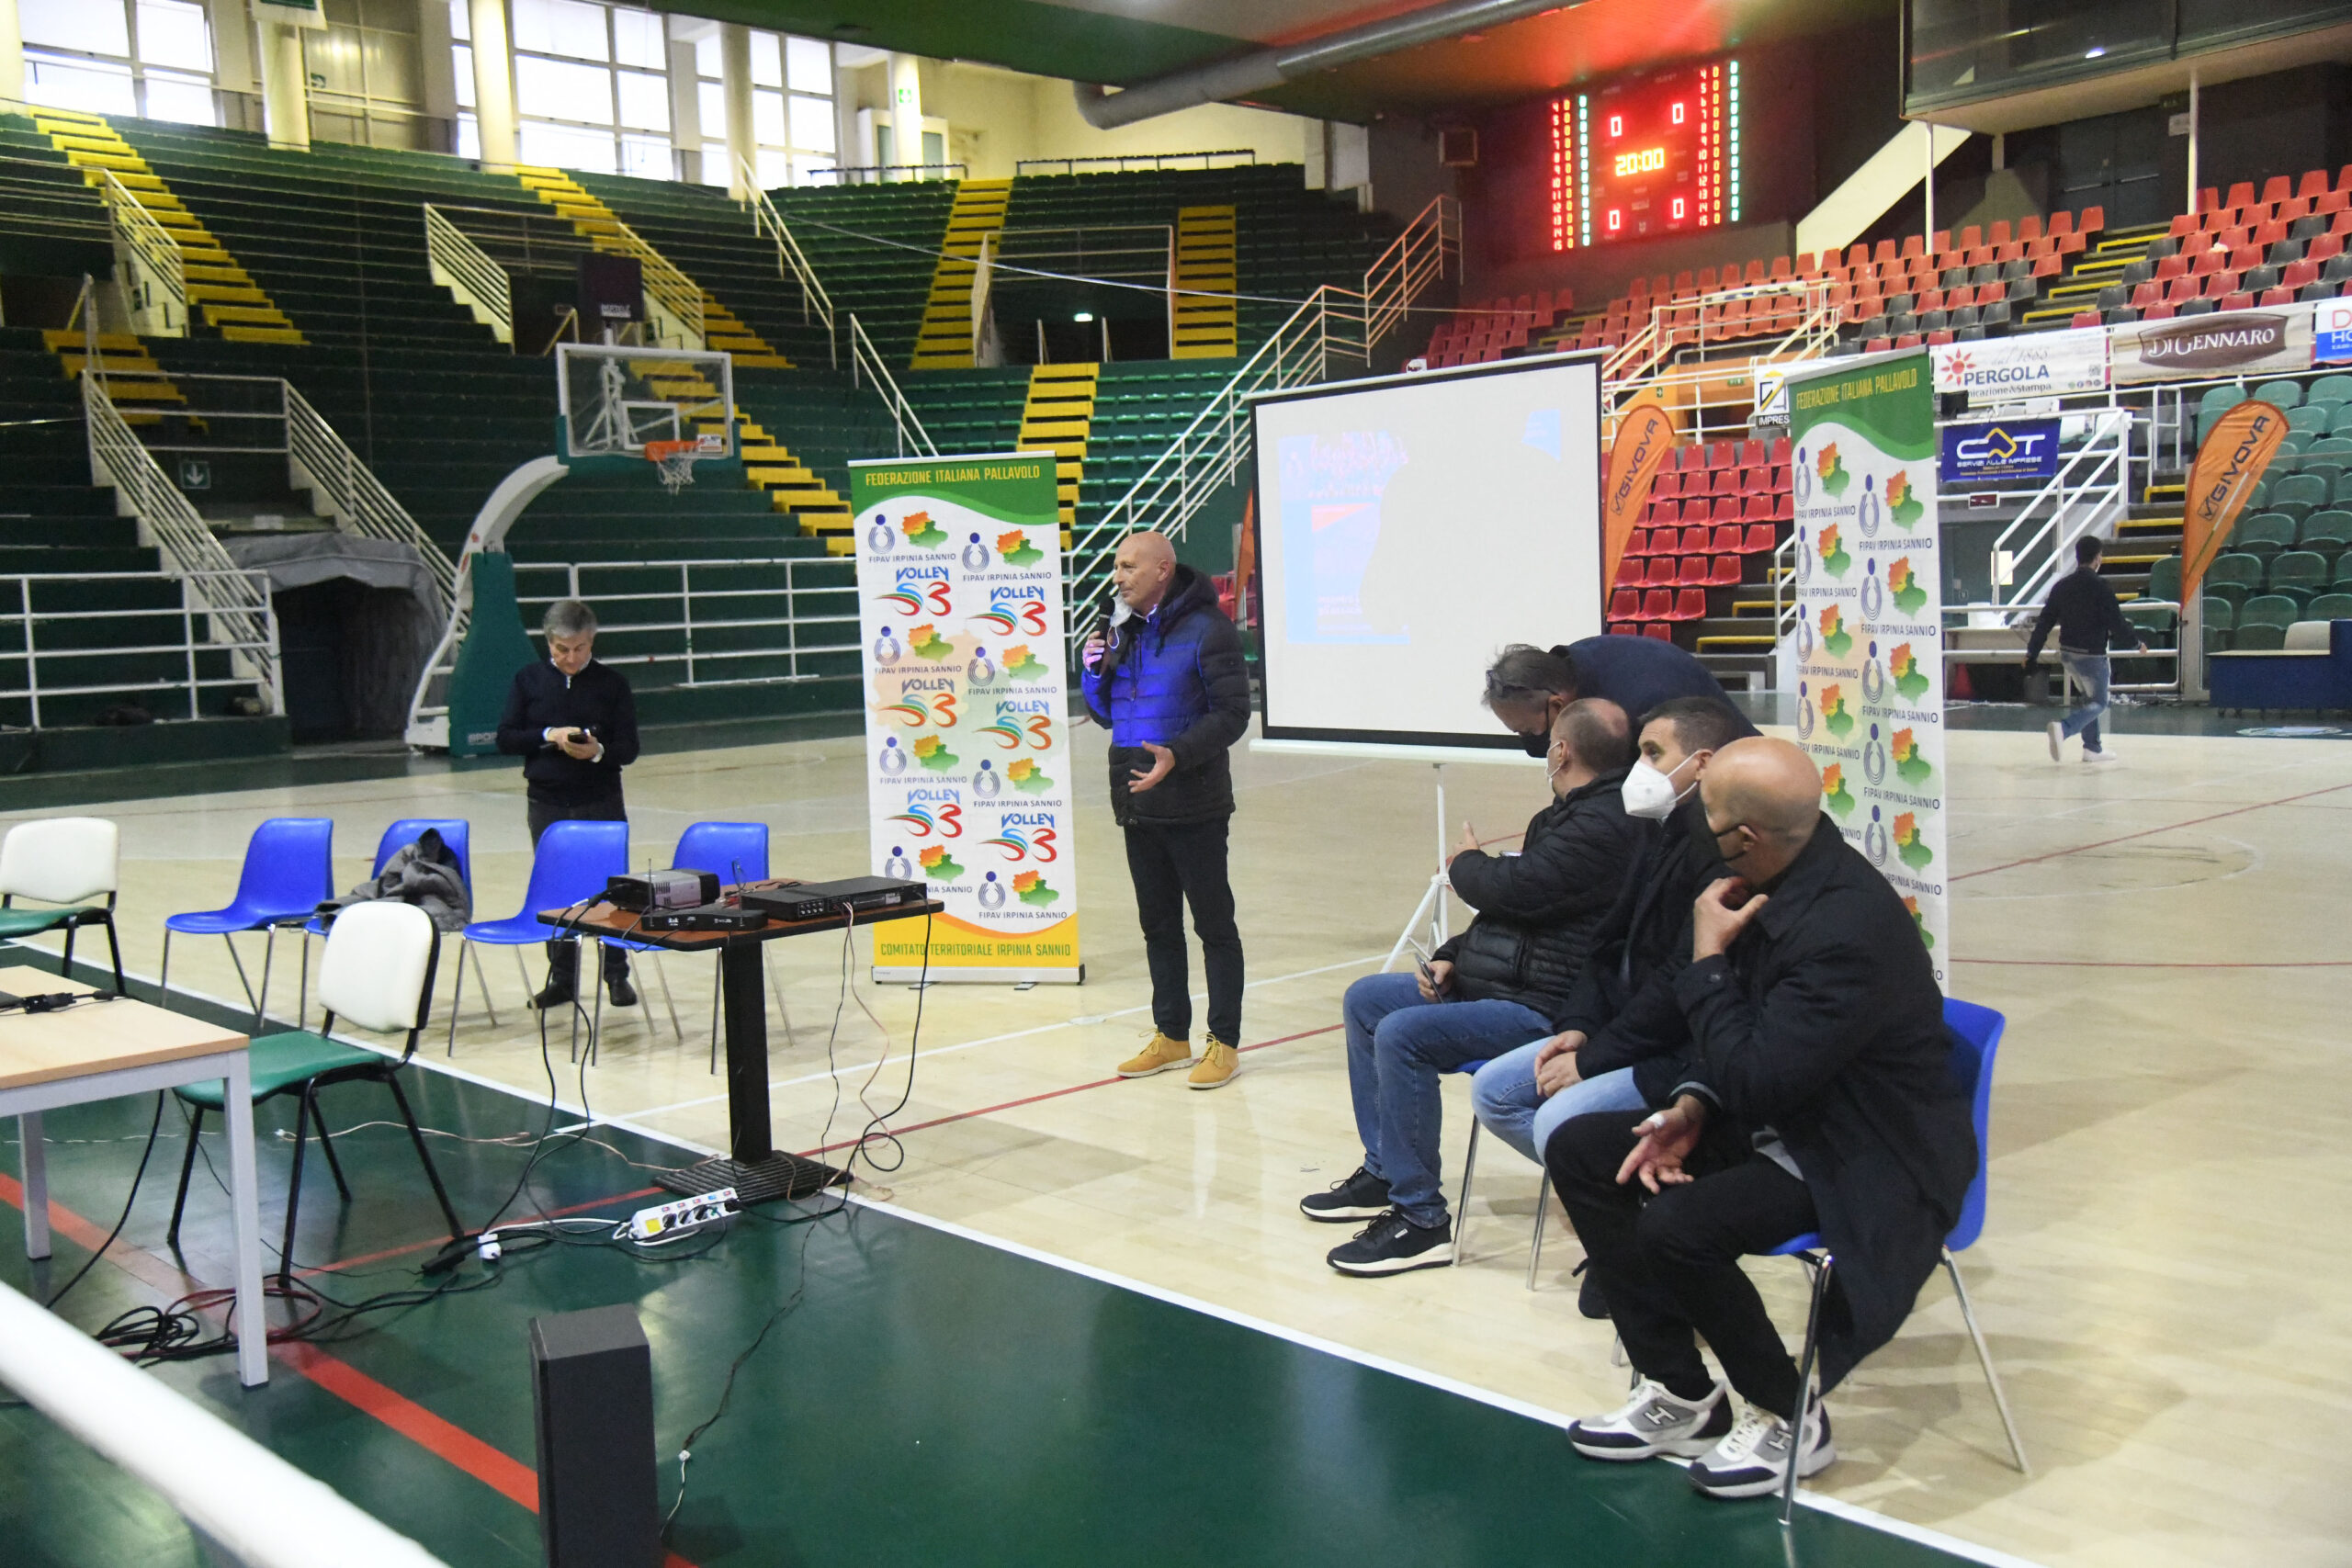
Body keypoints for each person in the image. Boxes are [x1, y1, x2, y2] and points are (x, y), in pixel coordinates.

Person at [1544, 738, 1974, 1499]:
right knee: (1583, 1149)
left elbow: (1756, 1075)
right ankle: (1683, 1394)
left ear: (1746, 835)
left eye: (1706, 814)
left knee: (1679, 1226)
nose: (1693, 824)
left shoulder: (1843, 930)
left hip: (1868, 1149)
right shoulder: (1770, 877)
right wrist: (1690, 1104)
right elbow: (1747, 1054)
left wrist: (1708, 961)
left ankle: (1788, 1412)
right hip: (1792, 1110)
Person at [1305, 699, 1642, 1276]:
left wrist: (1464, 863)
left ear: (1562, 751)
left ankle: (1421, 1220)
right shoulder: (1560, 816)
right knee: (1367, 999)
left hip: (1543, 1008)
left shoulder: (1608, 823)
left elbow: (1516, 888)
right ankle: (1386, 1169)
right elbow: (1511, 913)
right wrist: (1451, 957)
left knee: (1403, 1033)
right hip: (1501, 983)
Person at [1470, 694, 1746, 1182]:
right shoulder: (1657, 831)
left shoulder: (1721, 856)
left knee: (1558, 1125)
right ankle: (1612, 1194)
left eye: (1653, 753)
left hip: (1676, 1051)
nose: (1638, 769)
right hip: (1617, 1029)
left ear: (1701, 765)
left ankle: (1624, 1196)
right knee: (1493, 1091)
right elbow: (1606, 943)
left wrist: (1592, 1059)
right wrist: (1579, 1025)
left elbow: (1678, 980)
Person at [1081, 531, 1252, 1089]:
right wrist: (1093, 671)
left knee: (1214, 926)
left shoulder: (1209, 629)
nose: (1118, 577)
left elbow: (1233, 713)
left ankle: (1224, 1043)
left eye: (1129, 566)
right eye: (1116, 567)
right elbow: (1107, 715)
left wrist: (1177, 755)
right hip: (1138, 800)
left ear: (1162, 570)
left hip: (1194, 803)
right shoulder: (1123, 631)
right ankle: (1172, 1035)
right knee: (1157, 926)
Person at [496, 598, 640, 1010]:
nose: (571, 658)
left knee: (612, 888)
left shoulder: (612, 684)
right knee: (556, 890)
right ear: (549, 643)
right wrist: (549, 735)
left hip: (600, 799)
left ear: (591, 642)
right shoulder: (528, 680)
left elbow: (629, 748)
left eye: (579, 648)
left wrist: (597, 751)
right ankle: (562, 979)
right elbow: (506, 737)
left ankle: (616, 975)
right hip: (547, 802)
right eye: (562, 649)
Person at [1483, 642, 1756, 758]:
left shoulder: (1642, 705)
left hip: (1735, 767)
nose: (1531, 741)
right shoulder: (1567, 670)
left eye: (1529, 731)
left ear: (1557, 704)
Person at [2025, 534, 2145, 766]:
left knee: (2089, 699)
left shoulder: (2062, 586)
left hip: (2068, 655)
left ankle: (2092, 748)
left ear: (2077, 557)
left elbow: (2044, 622)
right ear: (2098, 558)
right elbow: (2116, 622)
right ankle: (2064, 729)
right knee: (2100, 702)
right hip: (2092, 656)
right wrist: (2136, 644)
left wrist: (2032, 653)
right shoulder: (2101, 587)